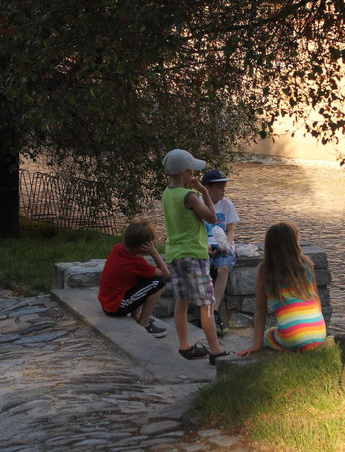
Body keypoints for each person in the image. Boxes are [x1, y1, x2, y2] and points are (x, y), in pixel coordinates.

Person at [161, 149, 228, 364]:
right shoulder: (188, 196)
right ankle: (216, 350)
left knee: (182, 301)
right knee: (207, 303)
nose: (194, 174)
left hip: (175, 254)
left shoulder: (167, 194)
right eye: (191, 170)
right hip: (194, 255)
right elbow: (212, 218)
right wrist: (204, 192)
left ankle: (185, 346)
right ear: (183, 173)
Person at [237, 222, 327, 356]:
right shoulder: (306, 264)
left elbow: (261, 309)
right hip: (319, 333)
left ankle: (294, 343)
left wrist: (257, 343)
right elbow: (316, 298)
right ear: (294, 243)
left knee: (268, 334)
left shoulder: (264, 271)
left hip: (293, 338)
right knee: (287, 329)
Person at [98, 219, 170, 338]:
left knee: (146, 278)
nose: (152, 246)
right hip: (116, 307)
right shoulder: (136, 263)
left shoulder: (118, 248)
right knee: (158, 283)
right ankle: (144, 322)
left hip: (107, 303)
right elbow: (165, 273)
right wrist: (153, 252)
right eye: (150, 244)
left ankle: (136, 316)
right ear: (143, 246)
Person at [201, 169, 239, 336]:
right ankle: (204, 312)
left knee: (223, 269)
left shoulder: (227, 204)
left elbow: (230, 230)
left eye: (224, 187)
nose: (223, 190)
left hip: (222, 244)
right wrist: (204, 247)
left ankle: (214, 312)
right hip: (204, 245)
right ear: (208, 188)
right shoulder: (198, 203)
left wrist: (227, 245)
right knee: (205, 268)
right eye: (220, 187)